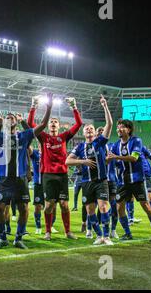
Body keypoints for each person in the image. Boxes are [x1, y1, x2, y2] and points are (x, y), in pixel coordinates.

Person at [0, 92, 51, 249]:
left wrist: (49, 108)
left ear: (16, 121)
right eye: (7, 118)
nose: (9, 119)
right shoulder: (0, 136)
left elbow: (42, 125)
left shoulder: (25, 135)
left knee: (24, 209)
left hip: (20, 179)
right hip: (4, 180)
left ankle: (18, 238)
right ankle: (2, 238)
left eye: (12, 118)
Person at [27, 95, 83, 240]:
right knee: (49, 205)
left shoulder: (64, 137)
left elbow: (78, 124)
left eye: (55, 122)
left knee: (64, 205)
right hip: (48, 175)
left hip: (62, 175)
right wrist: (34, 106)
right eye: (51, 121)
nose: (52, 123)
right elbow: (30, 123)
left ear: (58, 126)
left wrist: (74, 107)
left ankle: (68, 231)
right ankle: (47, 232)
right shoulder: (43, 137)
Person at [66, 95, 114, 245]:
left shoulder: (99, 142)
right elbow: (68, 161)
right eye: (86, 129)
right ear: (84, 133)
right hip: (86, 182)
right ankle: (99, 236)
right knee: (90, 211)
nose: (88, 130)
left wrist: (104, 106)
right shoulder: (79, 147)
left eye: (91, 129)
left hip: (101, 180)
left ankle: (106, 236)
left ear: (94, 133)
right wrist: (83, 161)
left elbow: (109, 124)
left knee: (103, 206)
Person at [107, 119, 151, 241]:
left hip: (137, 179)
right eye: (118, 127)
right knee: (119, 207)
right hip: (122, 182)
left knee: (145, 205)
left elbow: (134, 158)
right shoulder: (116, 145)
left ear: (129, 129)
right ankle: (127, 233)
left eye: (122, 127)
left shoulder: (136, 141)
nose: (119, 129)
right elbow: (110, 160)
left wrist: (116, 157)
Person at [96, 126, 119, 239]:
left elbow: (118, 162)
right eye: (99, 132)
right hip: (100, 180)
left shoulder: (112, 147)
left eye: (102, 131)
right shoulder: (94, 148)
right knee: (100, 207)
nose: (101, 133)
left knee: (114, 205)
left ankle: (113, 229)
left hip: (112, 180)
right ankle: (98, 229)